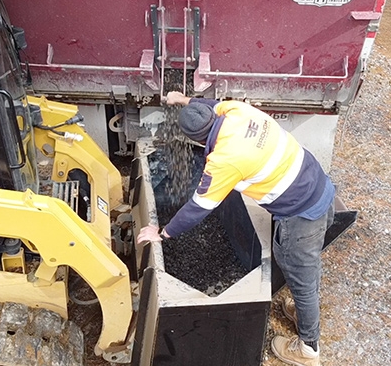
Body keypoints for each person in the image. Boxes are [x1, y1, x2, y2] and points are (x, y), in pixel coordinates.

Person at [137, 91, 335, 366]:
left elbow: (198, 208)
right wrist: (184, 100)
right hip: (318, 182)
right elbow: (210, 105)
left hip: (301, 215)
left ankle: (307, 349)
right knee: (307, 268)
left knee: (302, 276)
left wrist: (162, 233)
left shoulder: (224, 161)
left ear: (197, 139)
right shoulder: (237, 113)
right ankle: (304, 313)